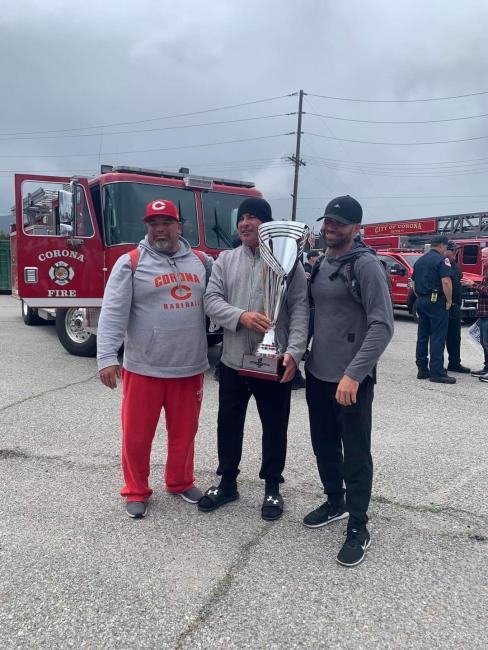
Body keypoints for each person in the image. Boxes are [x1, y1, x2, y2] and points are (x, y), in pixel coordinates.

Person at [97, 199, 212, 519]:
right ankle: (136, 490)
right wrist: (106, 356)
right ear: (147, 227)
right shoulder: (130, 262)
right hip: (144, 367)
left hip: (189, 367)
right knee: (136, 435)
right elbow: (113, 313)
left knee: (185, 432)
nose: (159, 229)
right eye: (152, 224)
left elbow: (219, 301)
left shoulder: (201, 261)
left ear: (180, 226)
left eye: (166, 223)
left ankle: (179, 481)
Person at [198, 197, 308, 521]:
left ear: (268, 225)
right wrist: (240, 316)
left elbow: (300, 309)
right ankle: (227, 482)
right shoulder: (225, 261)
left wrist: (295, 352)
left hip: (273, 361)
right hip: (233, 362)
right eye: (241, 218)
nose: (245, 223)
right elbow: (210, 300)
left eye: (253, 217)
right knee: (228, 425)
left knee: (275, 426)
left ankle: (272, 486)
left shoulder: (289, 263)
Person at [303, 195, 394, 567]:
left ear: (356, 229)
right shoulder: (322, 263)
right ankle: (334, 501)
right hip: (317, 372)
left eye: (339, 223)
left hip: (350, 381)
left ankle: (359, 525)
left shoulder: (367, 266)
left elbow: (383, 325)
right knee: (323, 445)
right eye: (327, 221)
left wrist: (354, 374)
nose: (330, 228)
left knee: (355, 454)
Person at [412, 235, 455, 384]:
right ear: (443, 246)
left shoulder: (419, 261)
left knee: (422, 335)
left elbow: (413, 282)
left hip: (422, 299)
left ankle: (422, 368)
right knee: (438, 336)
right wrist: (449, 301)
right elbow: (446, 281)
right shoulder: (442, 260)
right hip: (436, 301)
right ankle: (437, 372)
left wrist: (421, 296)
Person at [461, 246, 488, 381]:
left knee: (487, 342)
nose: (481, 259)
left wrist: (473, 285)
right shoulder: (486, 271)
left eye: (484, 256)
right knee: (483, 341)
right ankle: (486, 368)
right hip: (484, 312)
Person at [444, 241, 470, 373]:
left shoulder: (455, 265)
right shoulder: (442, 263)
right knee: (440, 336)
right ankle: (436, 365)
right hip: (444, 306)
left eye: (456, 250)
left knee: (455, 337)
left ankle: (455, 363)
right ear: (445, 250)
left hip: (455, 306)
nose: (456, 253)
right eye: (453, 250)